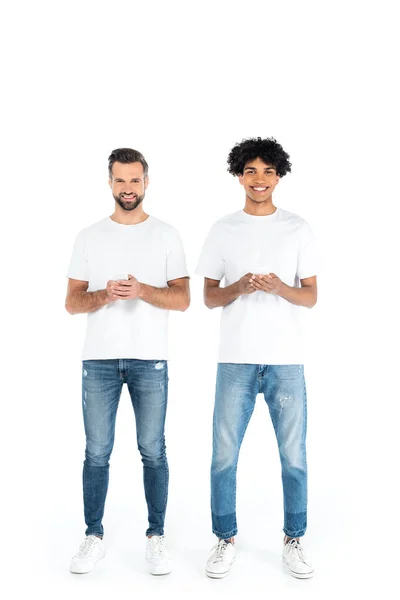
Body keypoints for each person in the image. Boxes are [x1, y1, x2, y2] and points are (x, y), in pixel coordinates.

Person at [196, 137, 318, 579]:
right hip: (236, 361)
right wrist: (240, 287)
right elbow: (209, 296)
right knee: (224, 455)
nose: (259, 179)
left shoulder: (297, 227)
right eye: (250, 171)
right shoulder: (223, 229)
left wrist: (278, 288)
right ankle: (225, 538)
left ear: (279, 175)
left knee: (294, 456)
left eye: (267, 170)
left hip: (286, 361)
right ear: (238, 176)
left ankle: (294, 539)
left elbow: (310, 296)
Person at [65, 148, 190, 575]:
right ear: (109, 183)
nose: (128, 188)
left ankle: (156, 536)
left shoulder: (167, 234)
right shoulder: (89, 236)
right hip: (98, 360)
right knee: (97, 452)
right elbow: (71, 303)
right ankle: (93, 535)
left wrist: (143, 291)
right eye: (120, 181)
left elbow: (183, 298)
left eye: (135, 181)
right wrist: (104, 294)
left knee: (152, 450)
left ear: (146, 182)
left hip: (150, 360)